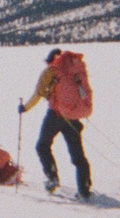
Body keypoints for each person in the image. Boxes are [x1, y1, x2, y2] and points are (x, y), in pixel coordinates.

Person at [19, 47, 92, 198]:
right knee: (78, 156)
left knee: (42, 146)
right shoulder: (75, 70)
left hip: (55, 115)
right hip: (73, 116)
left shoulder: (51, 71)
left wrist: (25, 108)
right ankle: (84, 189)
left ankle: (52, 179)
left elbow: (38, 94)